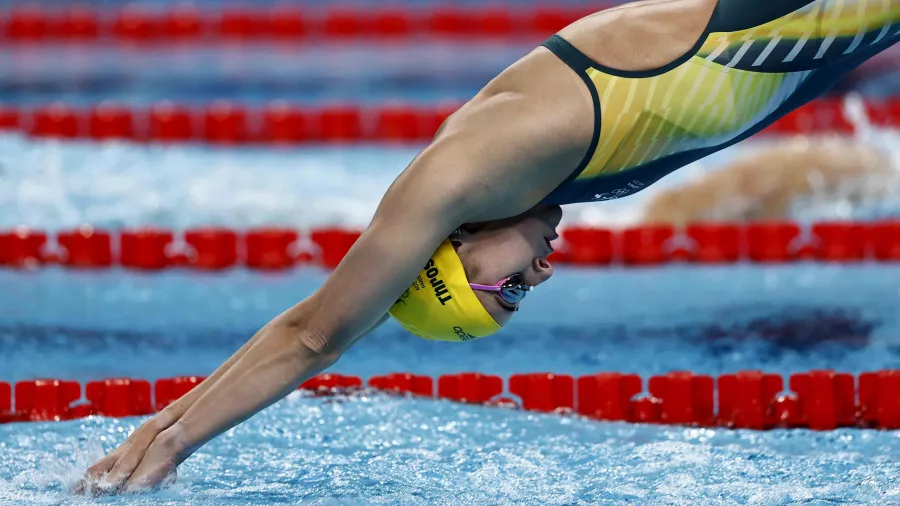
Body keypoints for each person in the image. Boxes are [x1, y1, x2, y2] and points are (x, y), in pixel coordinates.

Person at [78, 0, 898, 494]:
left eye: (508, 288)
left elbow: (316, 333)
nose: (543, 270)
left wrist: (171, 444)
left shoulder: (463, 177)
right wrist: (158, 423)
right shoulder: (497, 186)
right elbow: (311, 316)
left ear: (451, 257)